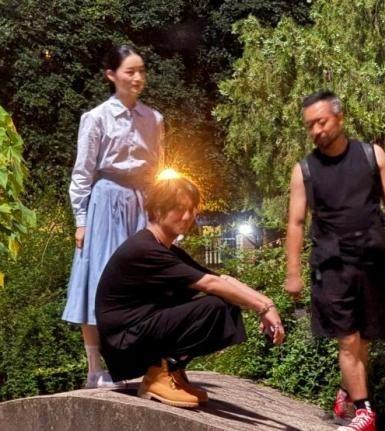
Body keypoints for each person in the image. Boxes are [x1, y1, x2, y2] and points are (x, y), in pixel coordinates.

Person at [285, 91, 385, 431]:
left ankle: (346, 394)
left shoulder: (372, 156)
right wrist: (293, 272)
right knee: (347, 340)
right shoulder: (304, 171)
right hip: (332, 265)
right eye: (309, 125)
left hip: (373, 259)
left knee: (363, 341)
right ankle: (365, 413)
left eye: (321, 122)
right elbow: (296, 223)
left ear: (340, 118)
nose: (316, 130)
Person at [95, 175, 285, 408]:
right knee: (216, 306)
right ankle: (158, 375)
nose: (187, 217)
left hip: (137, 335)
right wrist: (262, 308)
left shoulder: (165, 249)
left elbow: (221, 279)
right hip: (124, 344)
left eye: (191, 210)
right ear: (158, 209)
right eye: (179, 209)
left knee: (226, 301)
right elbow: (210, 284)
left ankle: (172, 371)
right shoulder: (145, 249)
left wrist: (267, 304)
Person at [62, 45, 164, 388]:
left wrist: (161, 218)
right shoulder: (96, 118)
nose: (138, 78)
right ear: (111, 75)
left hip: (141, 202)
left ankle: (138, 363)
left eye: (141, 70)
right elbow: (82, 173)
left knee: (142, 284)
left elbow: (158, 170)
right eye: (130, 71)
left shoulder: (154, 119)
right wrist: (81, 220)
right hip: (105, 202)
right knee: (97, 280)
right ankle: (95, 369)